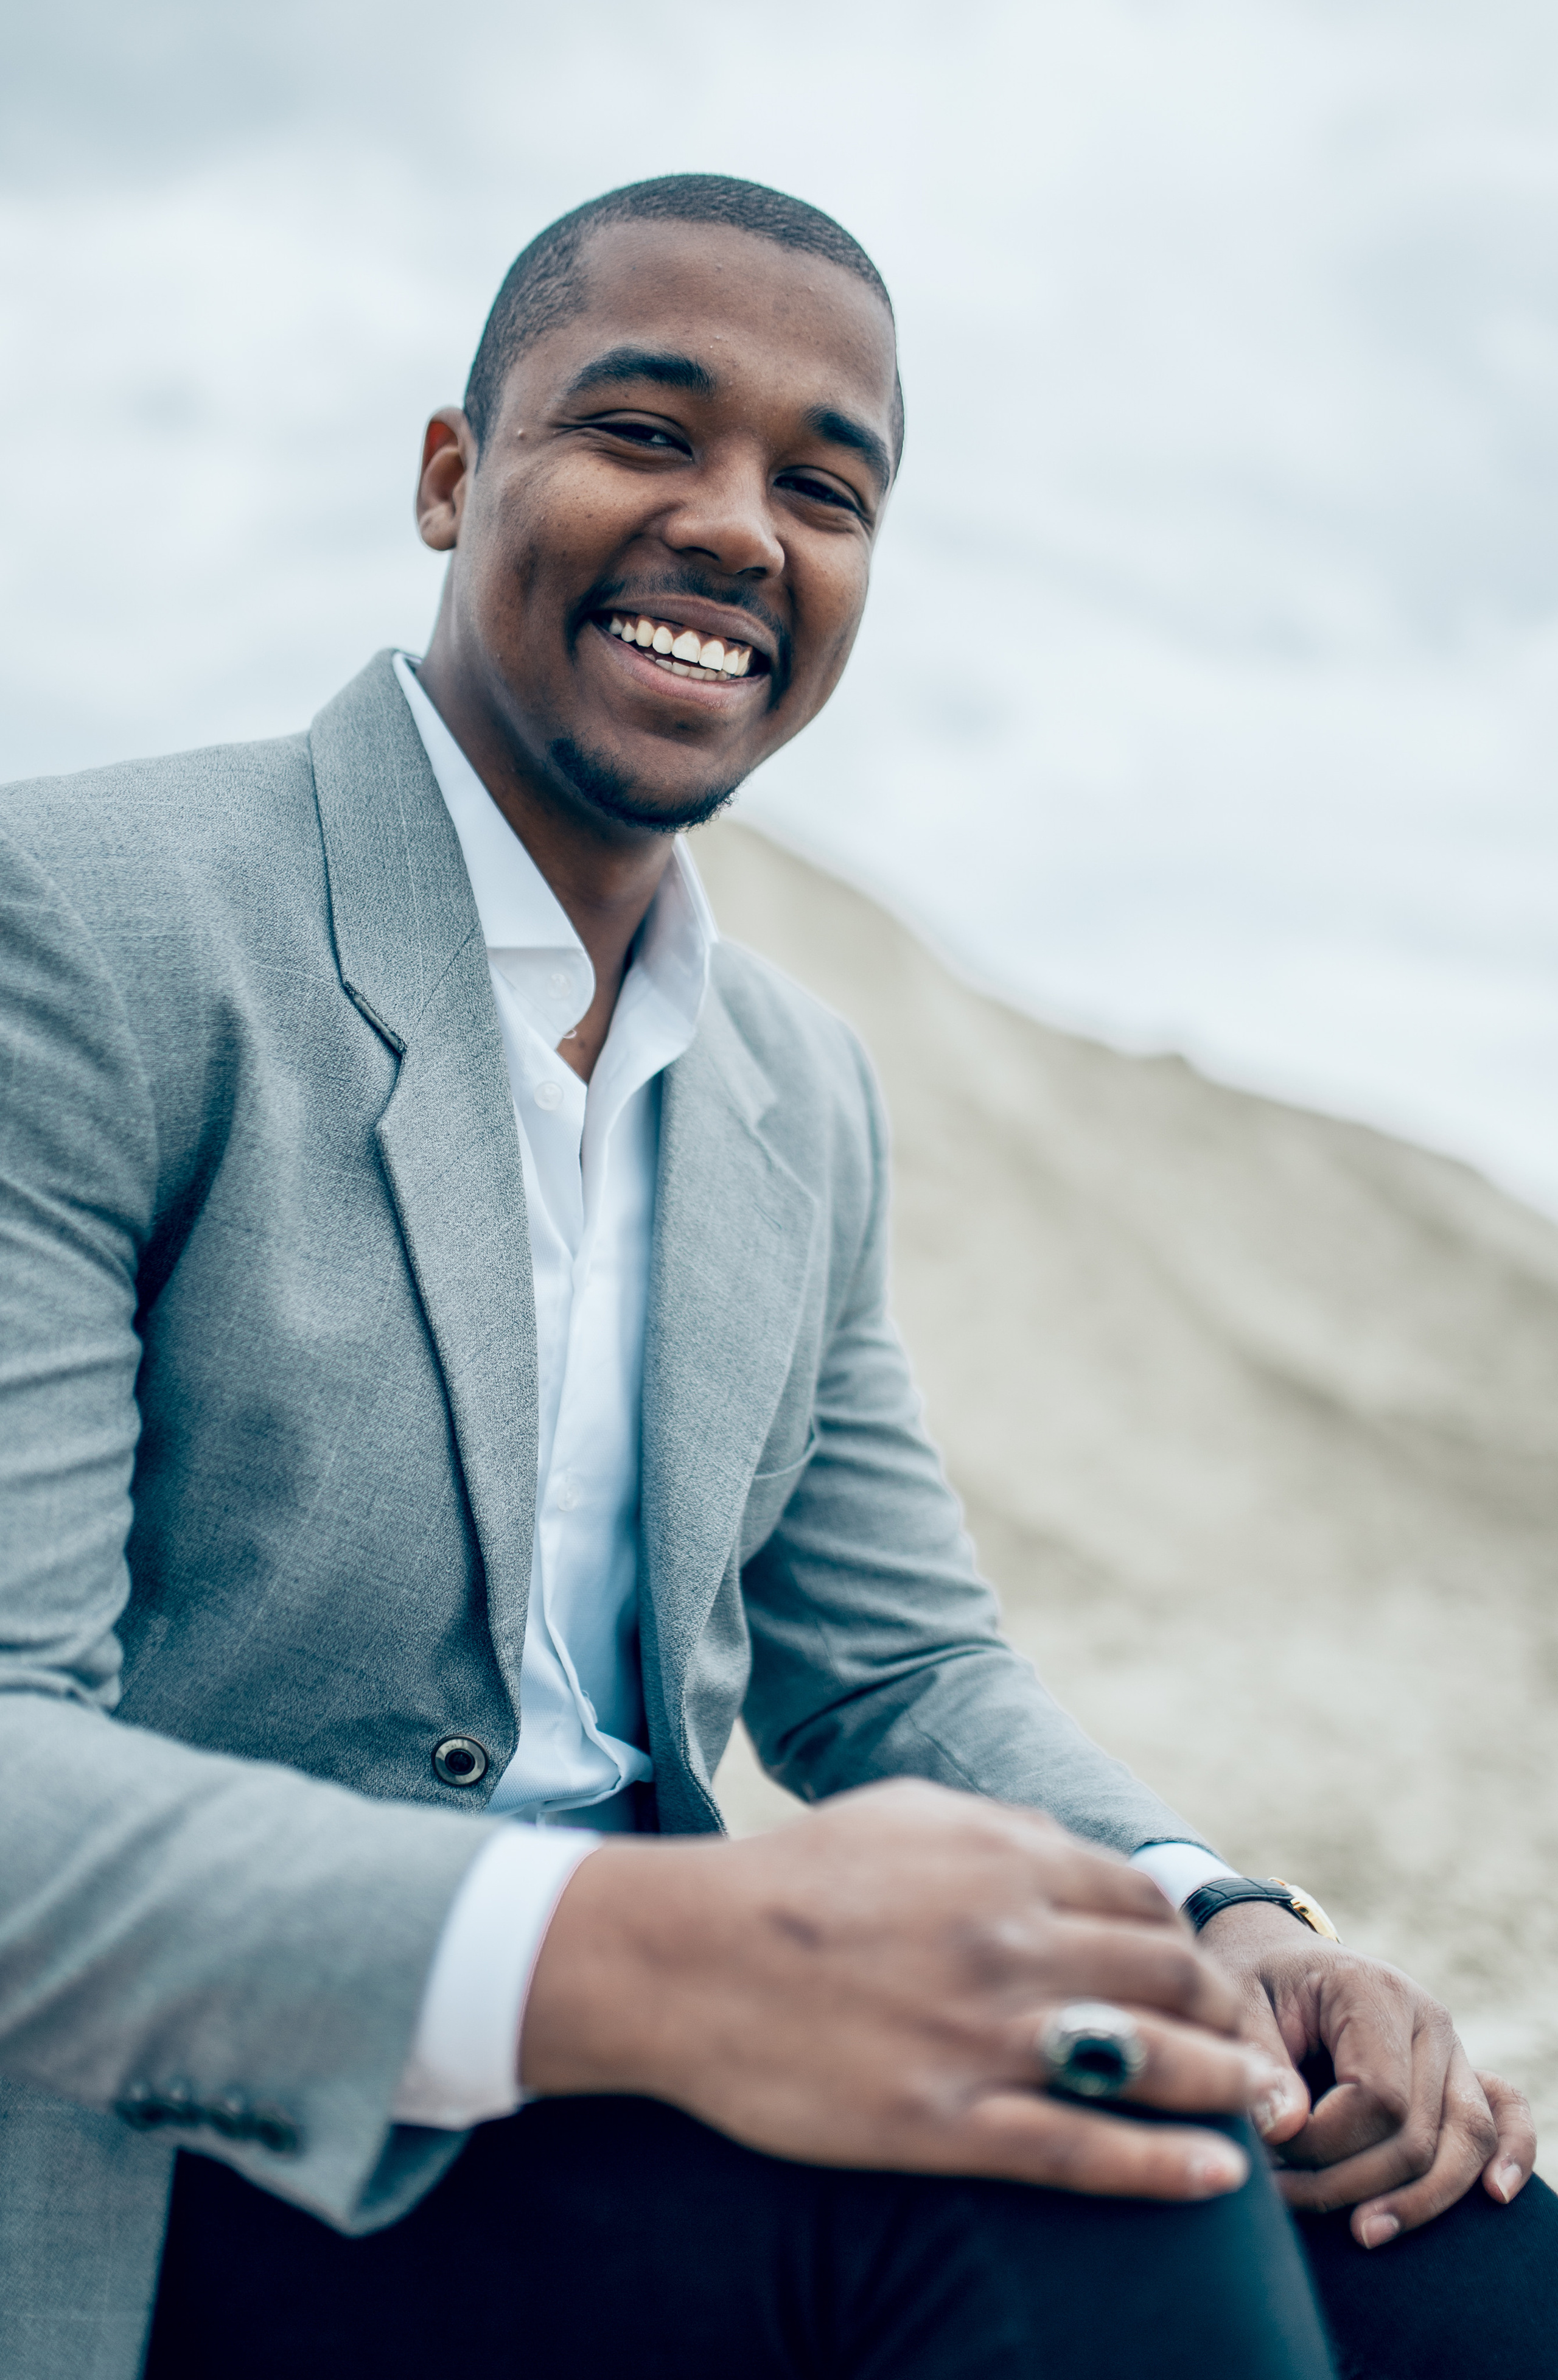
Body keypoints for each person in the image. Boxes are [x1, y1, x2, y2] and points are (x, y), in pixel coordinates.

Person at [0, 173, 1550, 2380]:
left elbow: (894, 1668)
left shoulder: (796, 1088)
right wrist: (656, 1956)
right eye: (644, 432)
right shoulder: (81, 927)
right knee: (1085, 2212)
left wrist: (1212, 1913)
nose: (737, 528)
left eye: (825, 489)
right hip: (165, 2150)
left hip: (632, 2109)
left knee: (1461, 2250)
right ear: (449, 476)